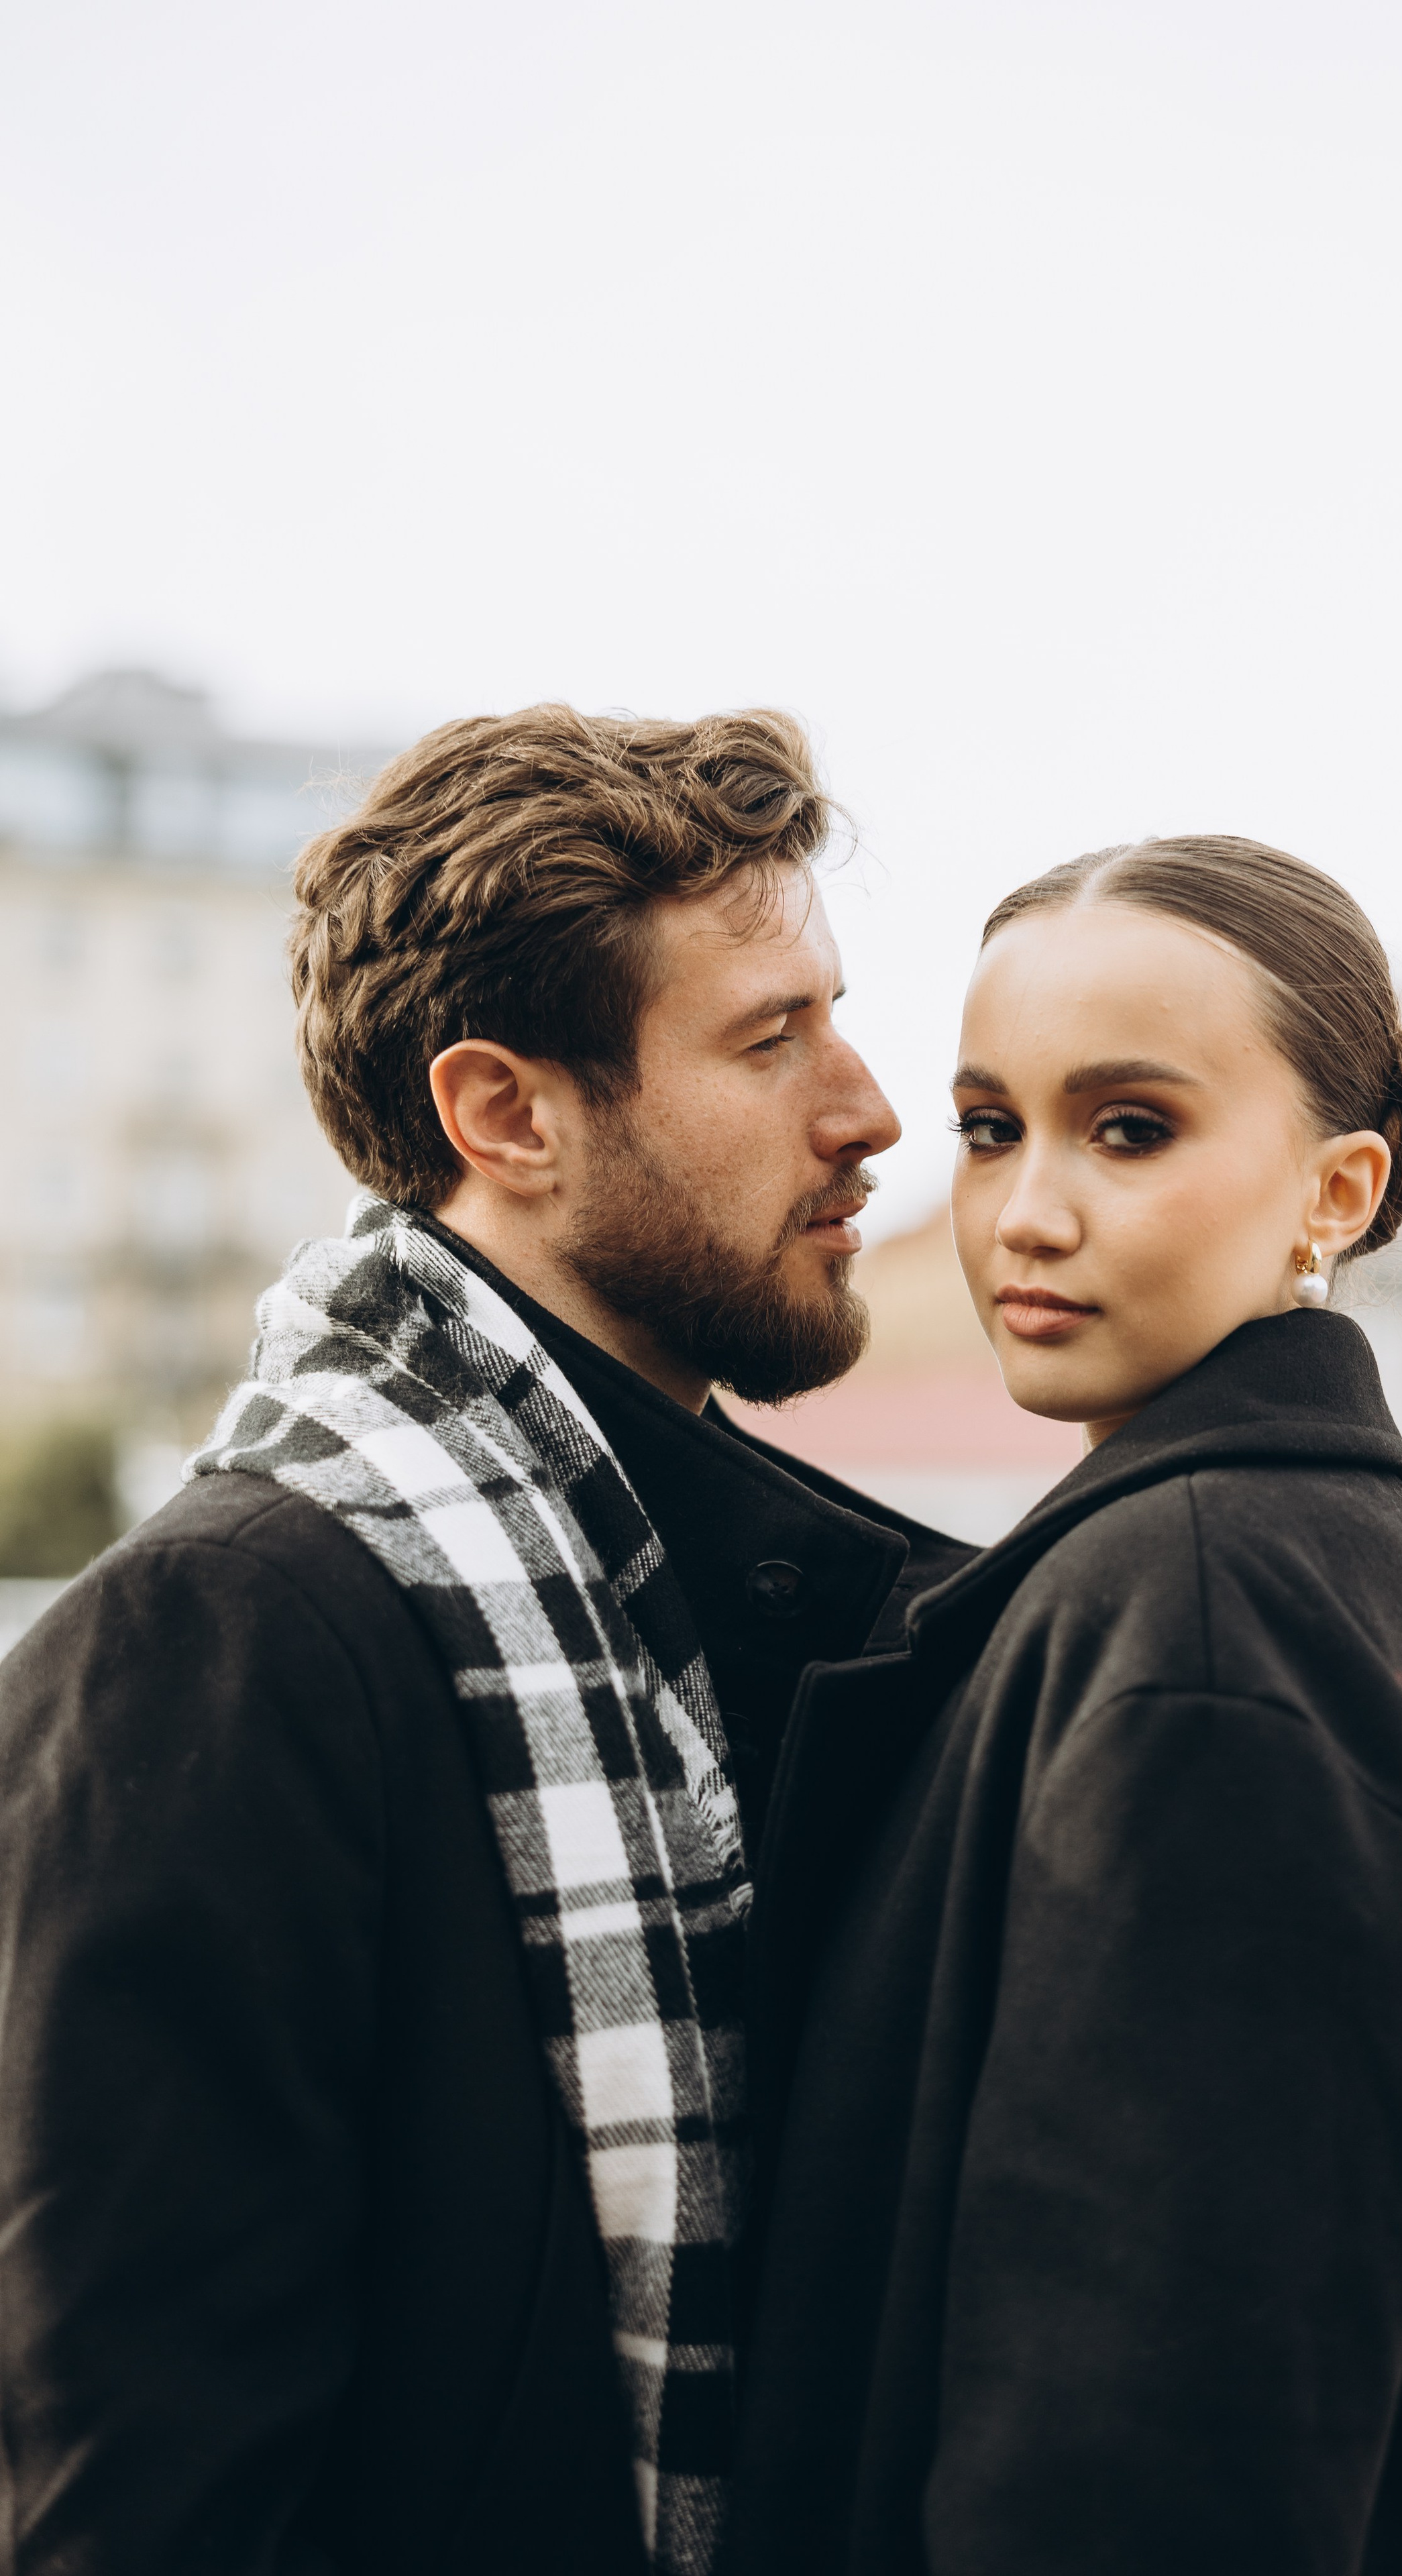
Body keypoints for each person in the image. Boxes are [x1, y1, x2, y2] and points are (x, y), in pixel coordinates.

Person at [0, 705, 970, 2576]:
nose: (867, 1110)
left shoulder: (707, 1606)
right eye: (774, 1040)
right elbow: (147, 2499)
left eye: (838, 1021)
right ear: (507, 1114)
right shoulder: (214, 1647)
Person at [733, 836, 1402, 2576]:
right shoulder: (1387, 1588)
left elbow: (1153, 2453)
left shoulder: (1205, 1616)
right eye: (987, 1128)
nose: (1027, 1211)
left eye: (1130, 1130)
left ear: (1336, 1192)